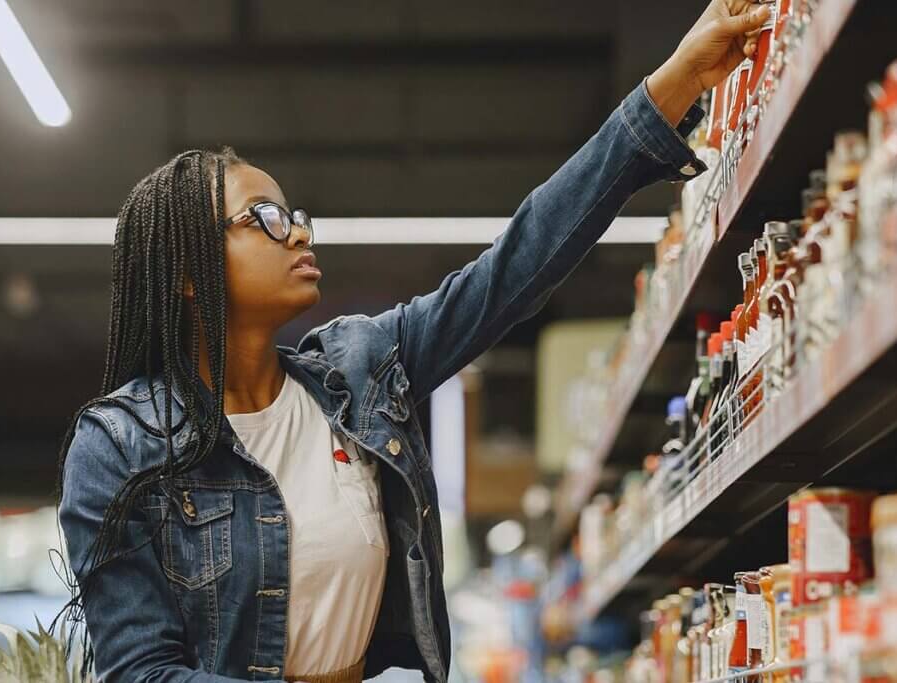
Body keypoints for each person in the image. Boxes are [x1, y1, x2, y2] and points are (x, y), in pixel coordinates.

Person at [53, 2, 772, 681]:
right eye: (264, 217)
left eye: (294, 212)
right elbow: (143, 670)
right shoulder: (120, 445)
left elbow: (515, 266)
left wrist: (675, 82)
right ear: (187, 271)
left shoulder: (356, 373)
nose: (299, 230)